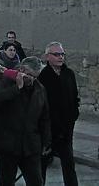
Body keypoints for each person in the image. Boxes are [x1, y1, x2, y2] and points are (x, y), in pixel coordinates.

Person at [0, 56, 51, 186]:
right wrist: (17, 89)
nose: (32, 80)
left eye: (35, 77)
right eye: (29, 75)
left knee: (36, 181)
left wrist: (46, 141)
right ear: (22, 69)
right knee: (6, 182)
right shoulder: (7, 81)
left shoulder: (39, 89)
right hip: (8, 145)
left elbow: (44, 117)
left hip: (30, 146)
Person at [38, 42, 79, 186]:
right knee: (41, 166)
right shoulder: (43, 77)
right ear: (48, 57)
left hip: (66, 129)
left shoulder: (69, 74)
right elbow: (40, 104)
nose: (60, 57)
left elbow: (74, 97)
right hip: (48, 131)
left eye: (62, 54)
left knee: (69, 165)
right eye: (56, 54)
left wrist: (74, 115)